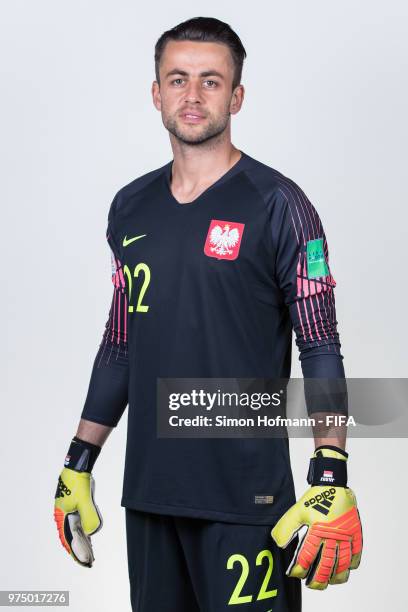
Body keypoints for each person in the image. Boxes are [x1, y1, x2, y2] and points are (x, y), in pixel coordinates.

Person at [54, 17, 362, 611]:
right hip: (149, 497)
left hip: (246, 504)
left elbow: (320, 344)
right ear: (156, 93)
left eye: (211, 81)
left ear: (236, 96)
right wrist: (78, 461)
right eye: (177, 79)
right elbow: (121, 341)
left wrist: (331, 470)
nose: (191, 96)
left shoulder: (281, 206)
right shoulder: (130, 206)